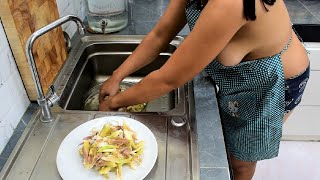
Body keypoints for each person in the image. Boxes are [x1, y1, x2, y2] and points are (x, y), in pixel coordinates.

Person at [99, 0, 310, 179]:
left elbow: (168, 80)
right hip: (240, 77)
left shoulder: (229, 4)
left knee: (241, 162)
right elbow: (160, 35)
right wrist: (117, 75)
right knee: (231, 147)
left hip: (272, 83)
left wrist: (114, 103)